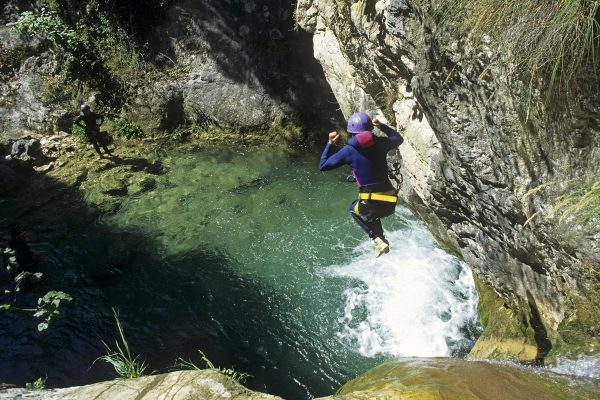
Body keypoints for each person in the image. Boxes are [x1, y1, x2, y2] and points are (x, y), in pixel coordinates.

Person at [319, 112, 403, 257]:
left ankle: (377, 239)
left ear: (351, 133)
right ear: (370, 129)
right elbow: (398, 138)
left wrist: (330, 144)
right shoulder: (381, 144)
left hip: (371, 203)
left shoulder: (348, 151)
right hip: (390, 201)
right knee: (370, 211)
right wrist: (381, 126)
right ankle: (381, 241)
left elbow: (323, 166)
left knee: (354, 208)